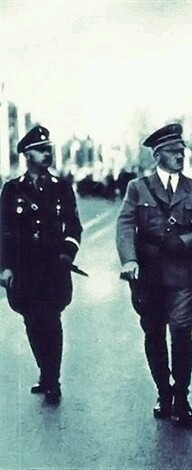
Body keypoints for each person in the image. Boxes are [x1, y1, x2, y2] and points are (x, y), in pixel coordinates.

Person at [116, 123, 192, 427]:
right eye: (173, 151)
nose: (180, 156)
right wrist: (129, 260)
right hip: (148, 276)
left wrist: (185, 242)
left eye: (182, 151)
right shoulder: (137, 188)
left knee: (182, 332)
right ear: (158, 155)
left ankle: (182, 397)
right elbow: (125, 225)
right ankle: (164, 392)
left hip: (183, 274)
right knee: (153, 333)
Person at [0, 125, 83, 405]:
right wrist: (5, 267)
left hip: (53, 268)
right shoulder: (12, 189)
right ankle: (45, 373)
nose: (47, 154)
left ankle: (52, 378)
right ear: (27, 155)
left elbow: (73, 225)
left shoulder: (61, 187)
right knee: (32, 322)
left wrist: (68, 253)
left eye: (49, 149)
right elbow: (4, 231)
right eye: (40, 150)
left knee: (51, 320)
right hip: (24, 270)